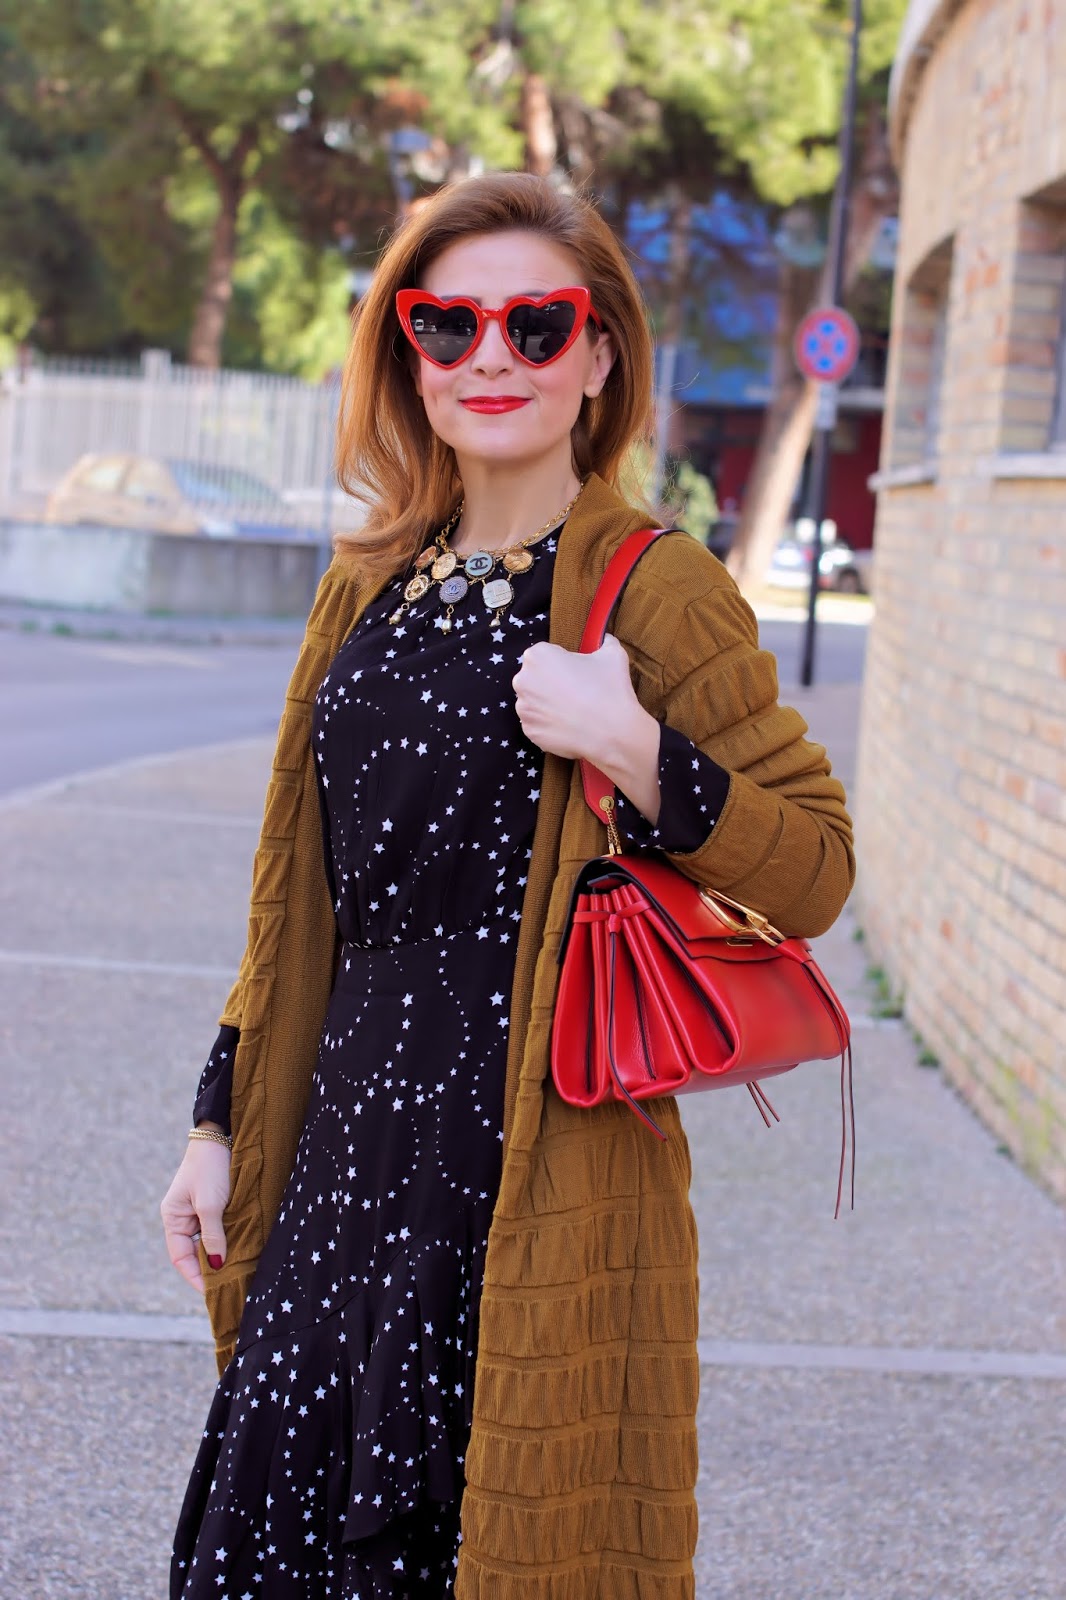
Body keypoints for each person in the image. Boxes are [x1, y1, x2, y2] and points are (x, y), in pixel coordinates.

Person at [160, 171, 854, 1600]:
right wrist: (217, 1119)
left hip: (521, 1186)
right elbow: (299, 890)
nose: (490, 357)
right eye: (447, 322)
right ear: (403, 352)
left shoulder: (656, 588)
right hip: (340, 1179)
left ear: (599, 357)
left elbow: (816, 864)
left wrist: (637, 747)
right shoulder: (369, 578)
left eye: (537, 325)